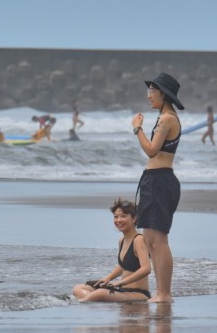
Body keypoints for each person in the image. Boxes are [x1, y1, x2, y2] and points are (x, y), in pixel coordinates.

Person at [131, 72, 184, 303]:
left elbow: (152, 150)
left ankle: (165, 293)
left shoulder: (168, 118)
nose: (149, 96)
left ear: (164, 94)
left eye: (152, 91)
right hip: (153, 179)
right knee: (149, 239)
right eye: (149, 91)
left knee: (159, 240)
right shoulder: (163, 117)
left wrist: (137, 129)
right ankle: (160, 292)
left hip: (160, 181)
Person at [72, 198, 152, 302]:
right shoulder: (122, 240)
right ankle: (88, 300)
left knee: (100, 293)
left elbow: (146, 269)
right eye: (116, 217)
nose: (118, 220)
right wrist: (108, 278)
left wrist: (120, 283)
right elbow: (124, 266)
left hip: (137, 293)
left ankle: (81, 302)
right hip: (122, 290)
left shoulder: (139, 239)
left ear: (134, 218)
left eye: (123, 216)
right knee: (78, 288)